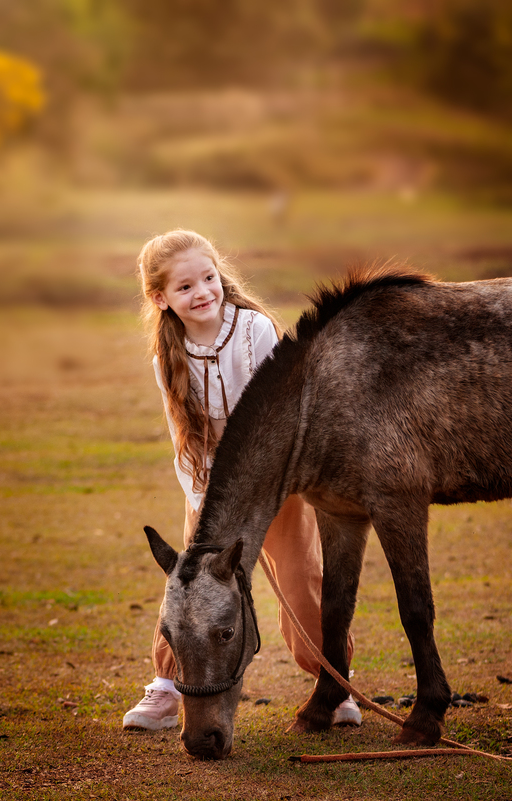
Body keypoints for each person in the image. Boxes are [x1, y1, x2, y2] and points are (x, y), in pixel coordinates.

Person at [122, 229, 359, 732]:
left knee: (301, 583)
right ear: (161, 299)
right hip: (210, 489)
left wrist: (260, 489)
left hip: (277, 483)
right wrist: (204, 502)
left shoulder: (253, 330)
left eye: (208, 278)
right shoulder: (170, 356)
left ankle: (334, 683)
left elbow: (269, 415)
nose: (202, 292)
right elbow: (183, 438)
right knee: (191, 587)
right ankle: (167, 687)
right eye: (185, 288)